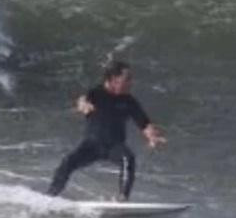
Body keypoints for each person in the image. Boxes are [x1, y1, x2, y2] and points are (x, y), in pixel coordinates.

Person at [47, 61, 166, 201]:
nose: (131, 83)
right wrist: (83, 105)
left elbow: (144, 123)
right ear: (113, 80)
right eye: (127, 79)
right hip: (92, 145)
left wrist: (152, 137)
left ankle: (122, 199)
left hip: (114, 146)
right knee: (67, 162)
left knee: (128, 159)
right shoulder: (96, 94)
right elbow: (82, 100)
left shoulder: (129, 101)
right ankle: (50, 197)